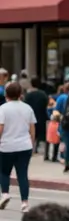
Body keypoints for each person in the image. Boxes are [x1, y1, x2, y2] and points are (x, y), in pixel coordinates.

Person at [0, 81, 36, 212]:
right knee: (22, 174)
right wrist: (32, 143)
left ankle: (5, 193)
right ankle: (24, 202)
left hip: (6, 146)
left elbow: (1, 128)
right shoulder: (28, 108)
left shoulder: (3, 109)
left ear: (6, 94)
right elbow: (32, 128)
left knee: (4, 172)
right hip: (24, 146)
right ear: (20, 94)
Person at [23, 76, 48, 155]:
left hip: (30, 117)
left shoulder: (28, 95)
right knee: (41, 133)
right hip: (41, 116)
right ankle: (40, 148)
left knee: (31, 132)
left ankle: (32, 148)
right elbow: (46, 104)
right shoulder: (43, 94)